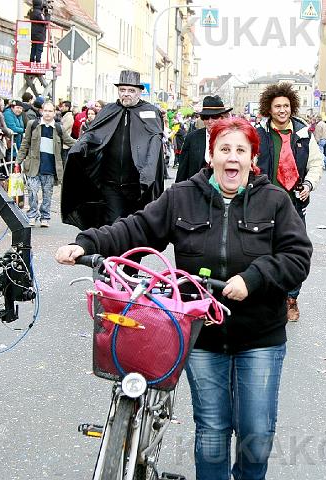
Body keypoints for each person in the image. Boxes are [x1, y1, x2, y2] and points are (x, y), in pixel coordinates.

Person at [55, 117, 312, 480]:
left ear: (252, 157)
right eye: (224, 149)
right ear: (211, 155)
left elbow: (297, 257)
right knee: (212, 429)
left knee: (256, 433)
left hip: (260, 336)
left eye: (241, 150)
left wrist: (253, 278)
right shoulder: (183, 196)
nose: (232, 158)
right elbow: (136, 228)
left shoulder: (274, 200)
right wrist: (86, 243)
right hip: (202, 334)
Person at [255, 82, 323, 321]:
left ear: (291, 107)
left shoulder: (303, 133)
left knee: (294, 252)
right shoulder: (259, 134)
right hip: (263, 204)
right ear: (269, 109)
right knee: (263, 251)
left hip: (294, 204)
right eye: (277, 106)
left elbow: (316, 164)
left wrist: (309, 185)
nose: (282, 110)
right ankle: (268, 297)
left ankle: (291, 297)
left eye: (286, 106)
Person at [63, 70, 164, 229]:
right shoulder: (109, 110)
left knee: (135, 227)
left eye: (131, 90)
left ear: (139, 92)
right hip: (111, 184)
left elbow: (155, 141)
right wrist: (81, 145)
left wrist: (148, 174)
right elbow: (93, 133)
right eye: (122, 90)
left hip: (137, 185)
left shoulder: (150, 112)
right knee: (113, 226)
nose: (126, 94)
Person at [17, 100, 74, 227]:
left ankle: (45, 216)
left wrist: (86, 144)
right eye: (45, 110)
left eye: (50, 111)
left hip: (50, 167)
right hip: (33, 165)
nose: (47, 113)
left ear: (54, 113)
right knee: (32, 191)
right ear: (41, 111)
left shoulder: (58, 128)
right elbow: (25, 143)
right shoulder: (33, 124)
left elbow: (70, 142)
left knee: (47, 193)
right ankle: (32, 215)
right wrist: (18, 161)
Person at [175, 95, 232, 182]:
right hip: (196, 187)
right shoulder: (192, 138)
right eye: (206, 117)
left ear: (222, 118)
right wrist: (178, 189)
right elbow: (182, 170)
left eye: (214, 117)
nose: (210, 121)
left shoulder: (231, 138)